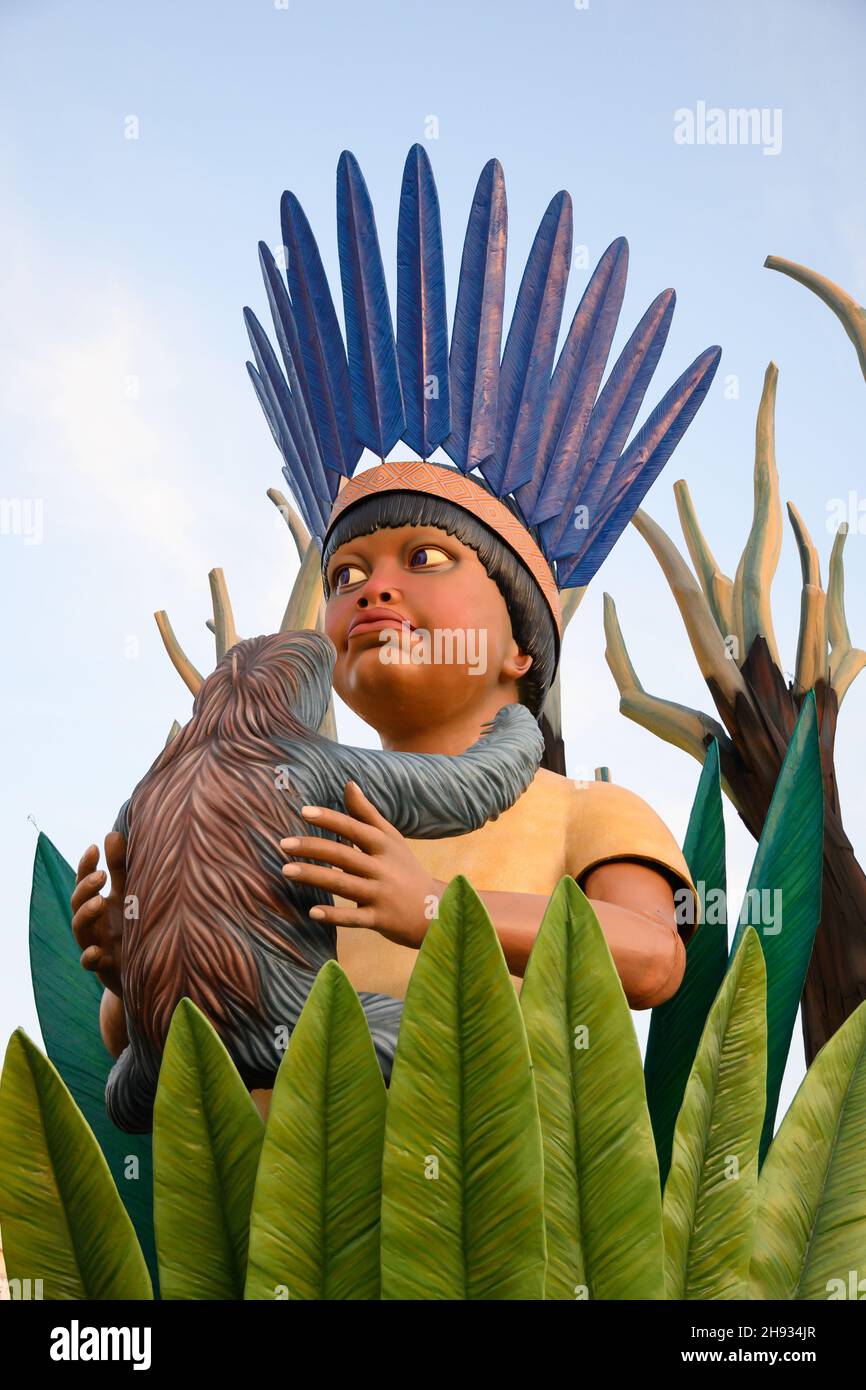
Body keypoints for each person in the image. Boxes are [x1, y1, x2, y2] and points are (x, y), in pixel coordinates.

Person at [71, 144, 717, 1075]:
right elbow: (165, 1048)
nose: (372, 590)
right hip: (286, 1206)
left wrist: (428, 910)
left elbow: (653, 956)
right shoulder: (296, 814)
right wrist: (134, 965)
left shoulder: (584, 811)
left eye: (425, 558)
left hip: (492, 1198)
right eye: (345, 576)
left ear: (520, 652)